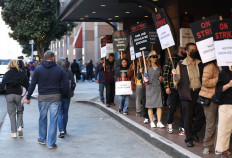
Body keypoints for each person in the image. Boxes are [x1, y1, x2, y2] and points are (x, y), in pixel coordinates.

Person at [26, 51, 69, 149]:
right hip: (56, 97)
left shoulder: (38, 69)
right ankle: (51, 143)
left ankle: (42, 139)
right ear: (53, 58)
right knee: (53, 120)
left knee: (42, 118)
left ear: (44, 58)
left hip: (43, 97)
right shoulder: (60, 69)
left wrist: (28, 97)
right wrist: (64, 94)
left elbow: (32, 84)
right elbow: (66, 84)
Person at [172, 43, 205, 147]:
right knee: (188, 117)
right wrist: (174, 75)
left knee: (202, 115)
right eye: (191, 50)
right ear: (186, 52)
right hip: (187, 93)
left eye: (195, 50)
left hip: (199, 93)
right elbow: (175, 82)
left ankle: (193, 131)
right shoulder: (181, 65)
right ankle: (189, 139)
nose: (193, 51)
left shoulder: (200, 64)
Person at [1, 60, 29, 138]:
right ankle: (19, 126)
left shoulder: (7, 74)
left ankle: (14, 133)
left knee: (11, 114)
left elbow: (2, 85)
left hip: (9, 95)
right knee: (20, 111)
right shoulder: (21, 73)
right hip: (19, 95)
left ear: (9, 65)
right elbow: (27, 84)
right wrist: (25, 92)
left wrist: (5, 90)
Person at [163, 46, 186, 135]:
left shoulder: (187, 59)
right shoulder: (172, 59)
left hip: (184, 88)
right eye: (184, 48)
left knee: (183, 108)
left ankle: (182, 126)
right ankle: (169, 124)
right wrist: (167, 87)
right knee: (172, 108)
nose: (185, 50)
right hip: (174, 88)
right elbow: (166, 73)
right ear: (180, 48)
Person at [198, 60, 219, 154]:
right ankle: (207, 145)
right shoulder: (210, 66)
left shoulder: (223, 66)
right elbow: (205, 82)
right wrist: (219, 79)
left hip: (220, 99)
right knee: (211, 124)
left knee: (219, 124)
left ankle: (218, 146)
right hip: (209, 98)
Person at [213, 66, 232, 156]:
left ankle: (225, 148)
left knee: (228, 129)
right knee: (224, 128)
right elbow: (218, 90)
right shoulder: (224, 72)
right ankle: (221, 150)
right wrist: (229, 85)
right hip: (226, 104)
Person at [144, 50, 164, 128]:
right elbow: (142, 78)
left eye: (156, 57)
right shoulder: (146, 67)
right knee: (150, 106)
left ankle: (159, 121)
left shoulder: (159, 67)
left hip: (158, 87)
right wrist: (144, 77)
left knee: (159, 105)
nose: (155, 58)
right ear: (150, 58)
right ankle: (151, 121)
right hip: (150, 88)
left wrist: (161, 79)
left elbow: (161, 78)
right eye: (153, 57)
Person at [57, 59, 75, 138]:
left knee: (59, 113)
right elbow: (73, 83)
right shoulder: (69, 71)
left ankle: (61, 130)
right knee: (65, 112)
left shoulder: (56, 71)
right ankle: (64, 128)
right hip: (67, 94)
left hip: (58, 94)